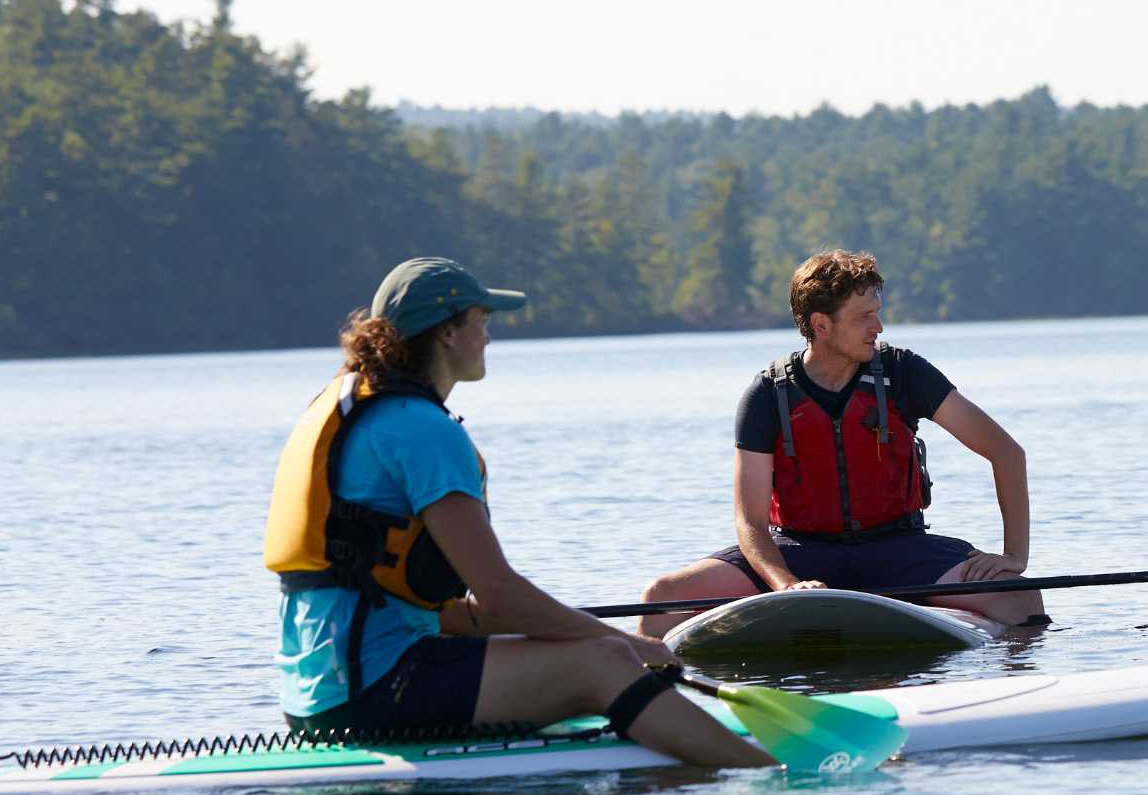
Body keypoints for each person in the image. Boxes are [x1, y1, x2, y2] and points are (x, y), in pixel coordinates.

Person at [265, 257, 772, 767]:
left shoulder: (365, 412)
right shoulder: (422, 431)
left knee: (575, 649)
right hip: (378, 693)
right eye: (481, 321)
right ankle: (764, 774)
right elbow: (501, 598)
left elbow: (451, 611)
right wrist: (628, 644)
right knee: (604, 663)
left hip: (316, 699)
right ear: (446, 332)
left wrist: (555, 632)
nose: (487, 337)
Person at [635, 249, 1044, 636]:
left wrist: (1014, 556)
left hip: (900, 550)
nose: (878, 327)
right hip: (800, 553)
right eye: (864, 317)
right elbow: (751, 522)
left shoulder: (905, 373)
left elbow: (1006, 452)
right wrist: (786, 585)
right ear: (822, 324)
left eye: (877, 314)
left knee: (1020, 596)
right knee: (661, 599)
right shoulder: (766, 395)